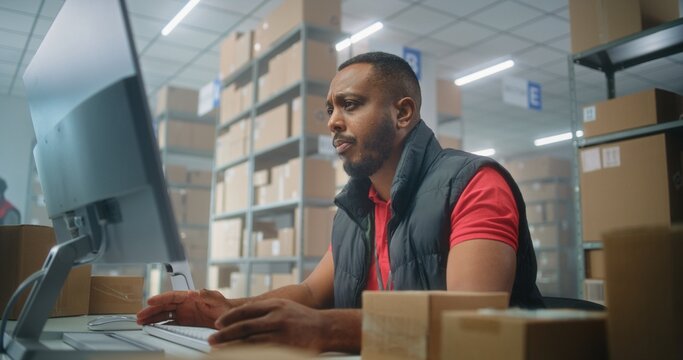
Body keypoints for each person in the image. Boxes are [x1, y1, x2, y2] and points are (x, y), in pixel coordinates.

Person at [137, 52, 544, 353]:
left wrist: (325, 329)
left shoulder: (473, 184)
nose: (332, 121)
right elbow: (312, 294)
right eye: (330, 109)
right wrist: (225, 309)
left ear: (403, 114)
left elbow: (470, 324)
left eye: (350, 105)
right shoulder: (356, 209)